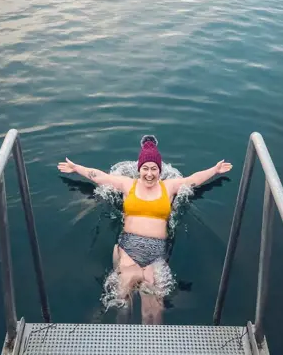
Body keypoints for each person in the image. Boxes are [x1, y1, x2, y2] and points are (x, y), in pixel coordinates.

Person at [57, 135, 232, 324]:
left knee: (153, 310)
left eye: (154, 169)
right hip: (128, 250)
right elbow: (100, 176)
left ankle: (152, 344)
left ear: (160, 170)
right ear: (139, 169)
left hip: (156, 254)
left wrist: (214, 170)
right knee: (122, 301)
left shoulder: (169, 187)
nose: (149, 173)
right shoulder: (128, 185)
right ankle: (120, 341)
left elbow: (193, 180)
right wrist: (76, 169)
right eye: (145, 168)